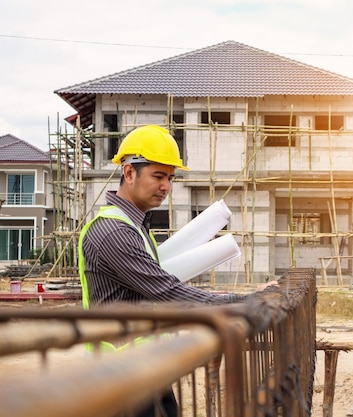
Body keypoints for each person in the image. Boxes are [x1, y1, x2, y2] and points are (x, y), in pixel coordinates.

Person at [78, 125, 276, 417]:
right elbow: (168, 291)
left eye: (170, 178)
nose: (166, 186)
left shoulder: (133, 225)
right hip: (124, 376)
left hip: (144, 366)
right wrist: (245, 302)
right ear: (129, 173)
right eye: (158, 176)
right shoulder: (114, 232)